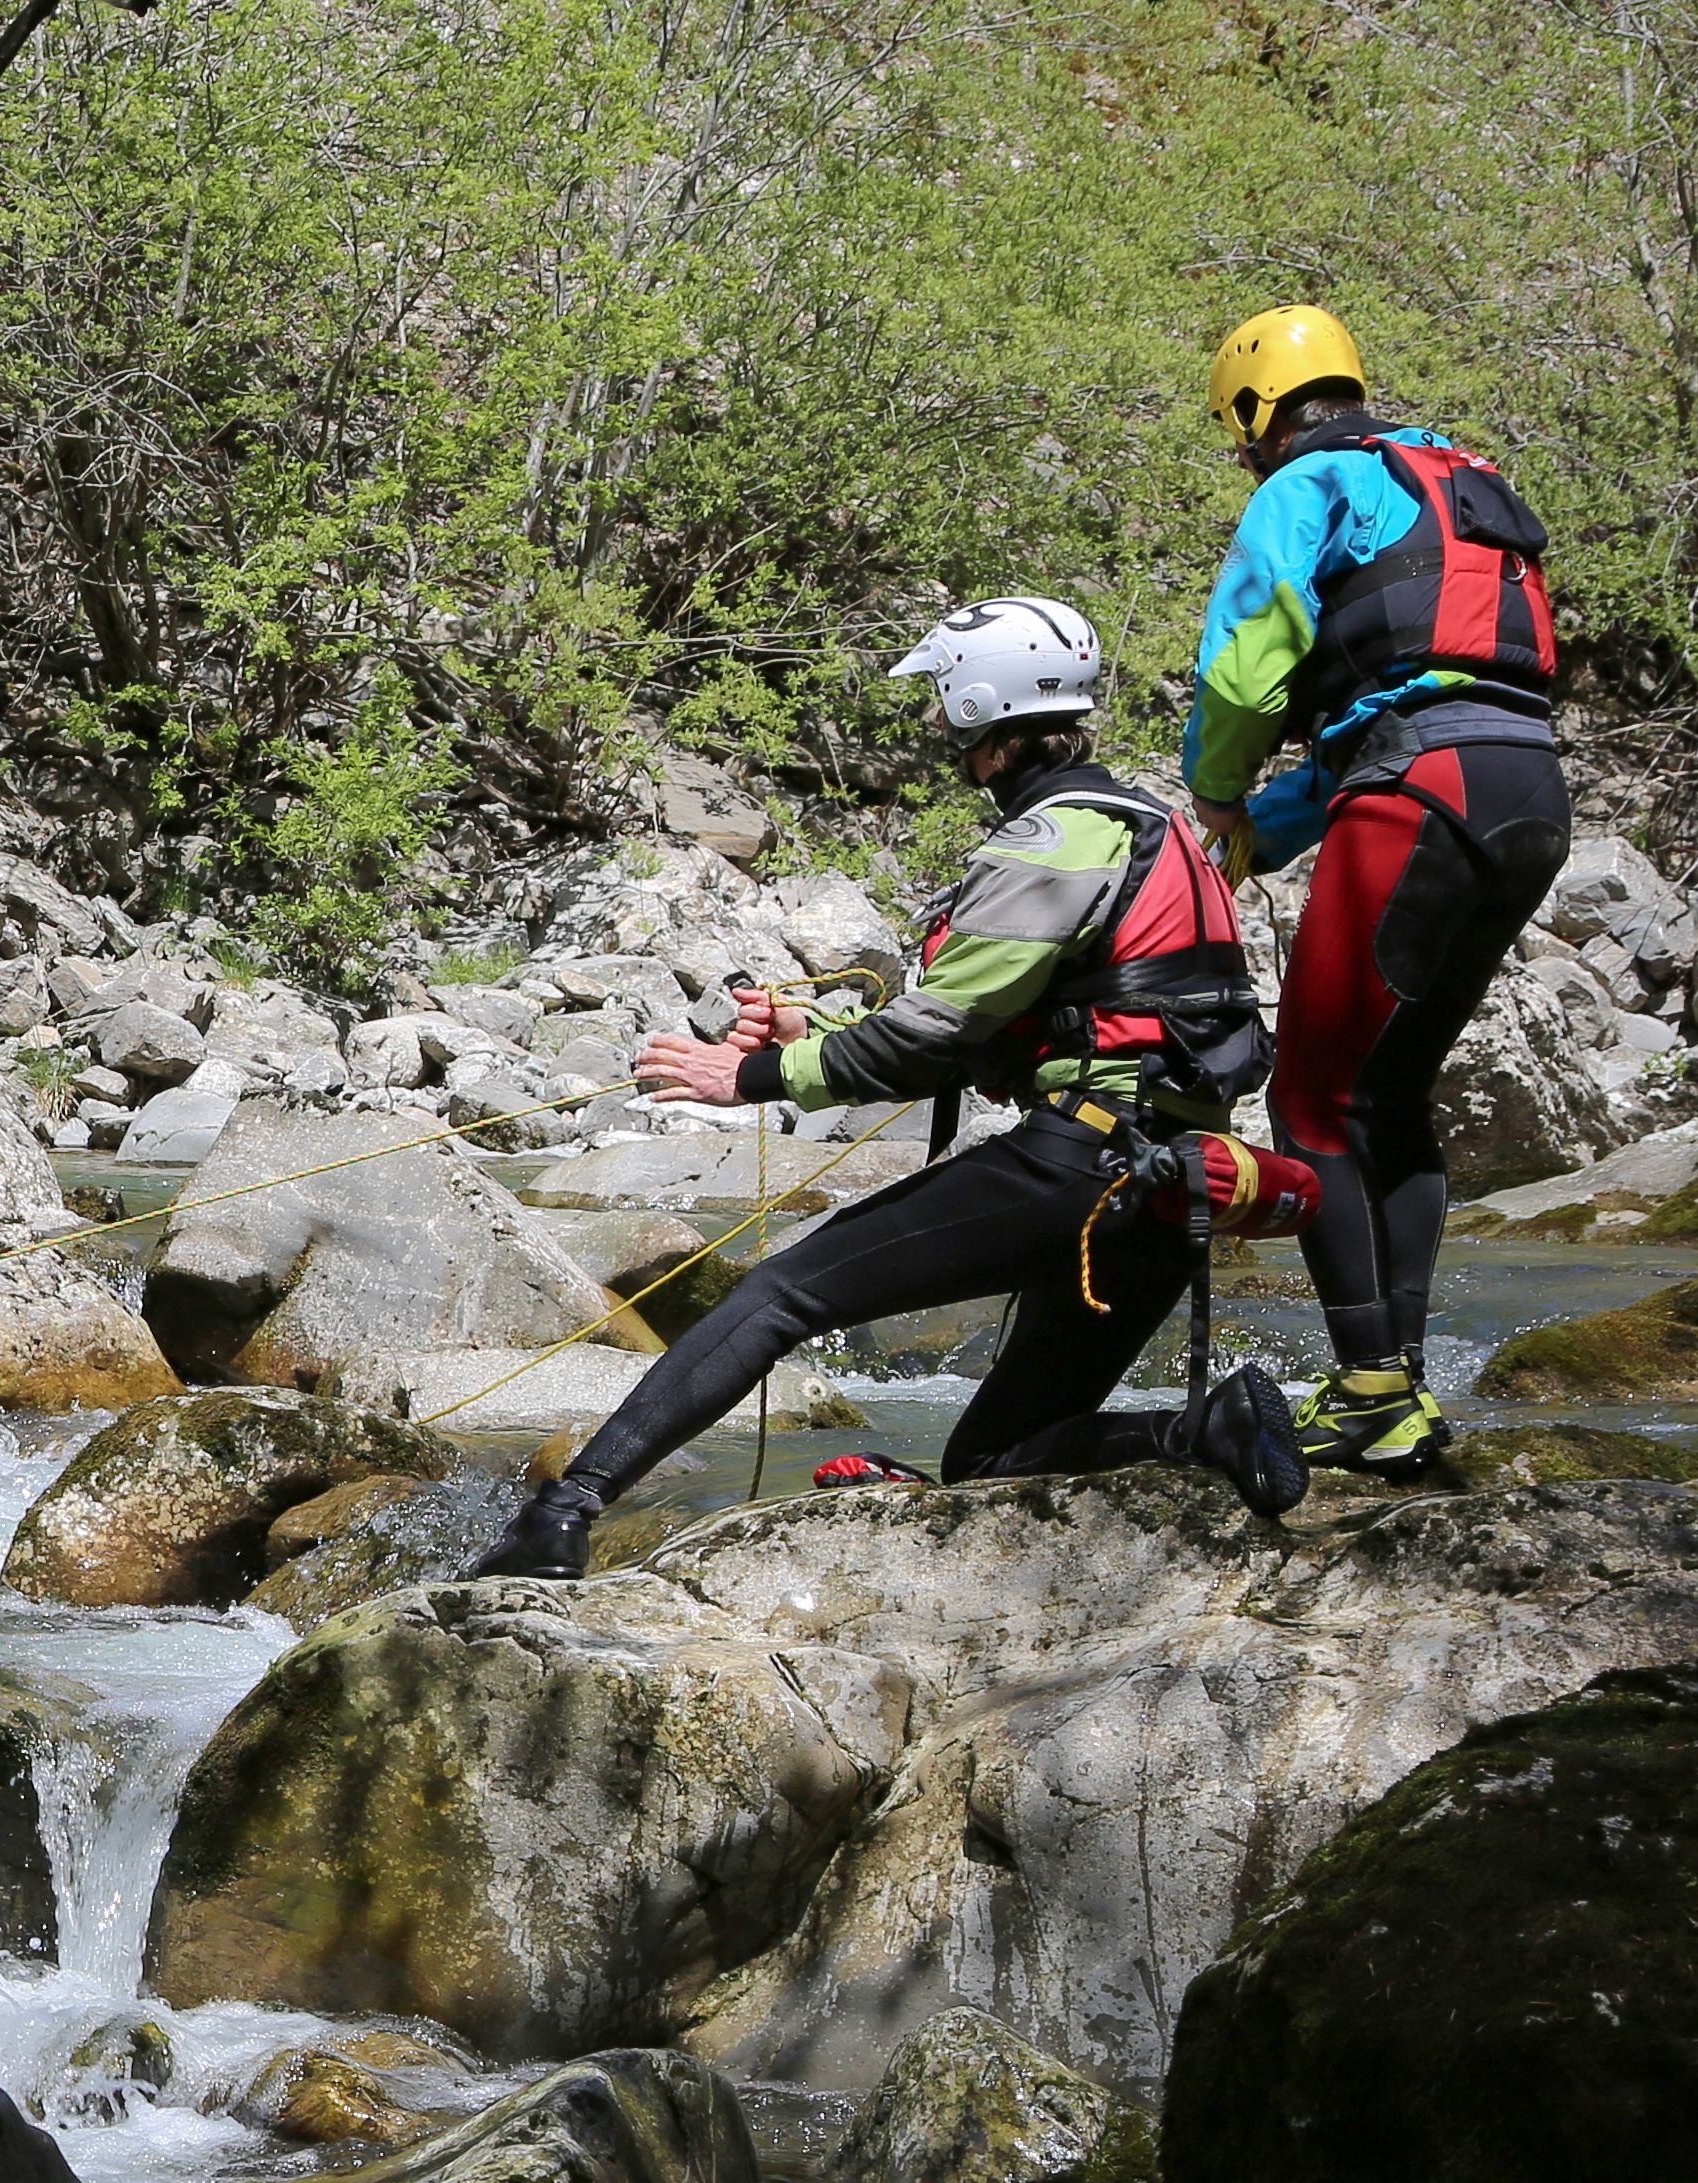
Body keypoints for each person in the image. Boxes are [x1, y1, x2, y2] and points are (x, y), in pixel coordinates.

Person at [471, 596, 1315, 1579]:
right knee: (987, 1458)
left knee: (781, 1293)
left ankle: (562, 1515)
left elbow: (932, 1040)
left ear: (984, 714)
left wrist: (742, 1074)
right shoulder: (1164, 837)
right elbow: (1017, 1024)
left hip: (1079, 1170)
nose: (945, 735)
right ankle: (1207, 1430)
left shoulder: (1054, 841)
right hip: (1168, 1190)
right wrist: (809, 1026)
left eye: (950, 712)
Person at [1185, 304, 1575, 1477]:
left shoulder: (1306, 486)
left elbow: (1251, 662)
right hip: (1525, 792)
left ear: (1260, 408)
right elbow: (1395, 721)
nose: (1246, 454)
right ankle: (1393, 1382)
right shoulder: (1456, 479)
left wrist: (1213, 795)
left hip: (1425, 787)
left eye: (1239, 431)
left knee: (1310, 1104)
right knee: (1387, 1098)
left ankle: (1367, 1394)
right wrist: (1263, 833)